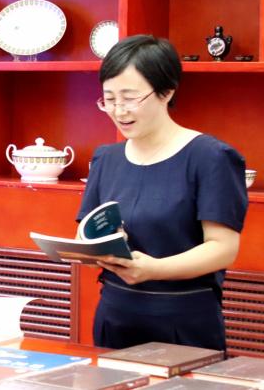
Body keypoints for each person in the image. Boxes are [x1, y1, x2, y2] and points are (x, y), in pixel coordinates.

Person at [79, 35, 248, 351]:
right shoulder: (106, 158)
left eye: (130, 98)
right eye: (109, 99)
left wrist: (154, 269)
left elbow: (223, 248)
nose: (118, 110)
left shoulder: (210, 157)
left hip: (182, 320)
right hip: (115, 315)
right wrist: (95, 249)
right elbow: (88, 231)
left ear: (166, 91)